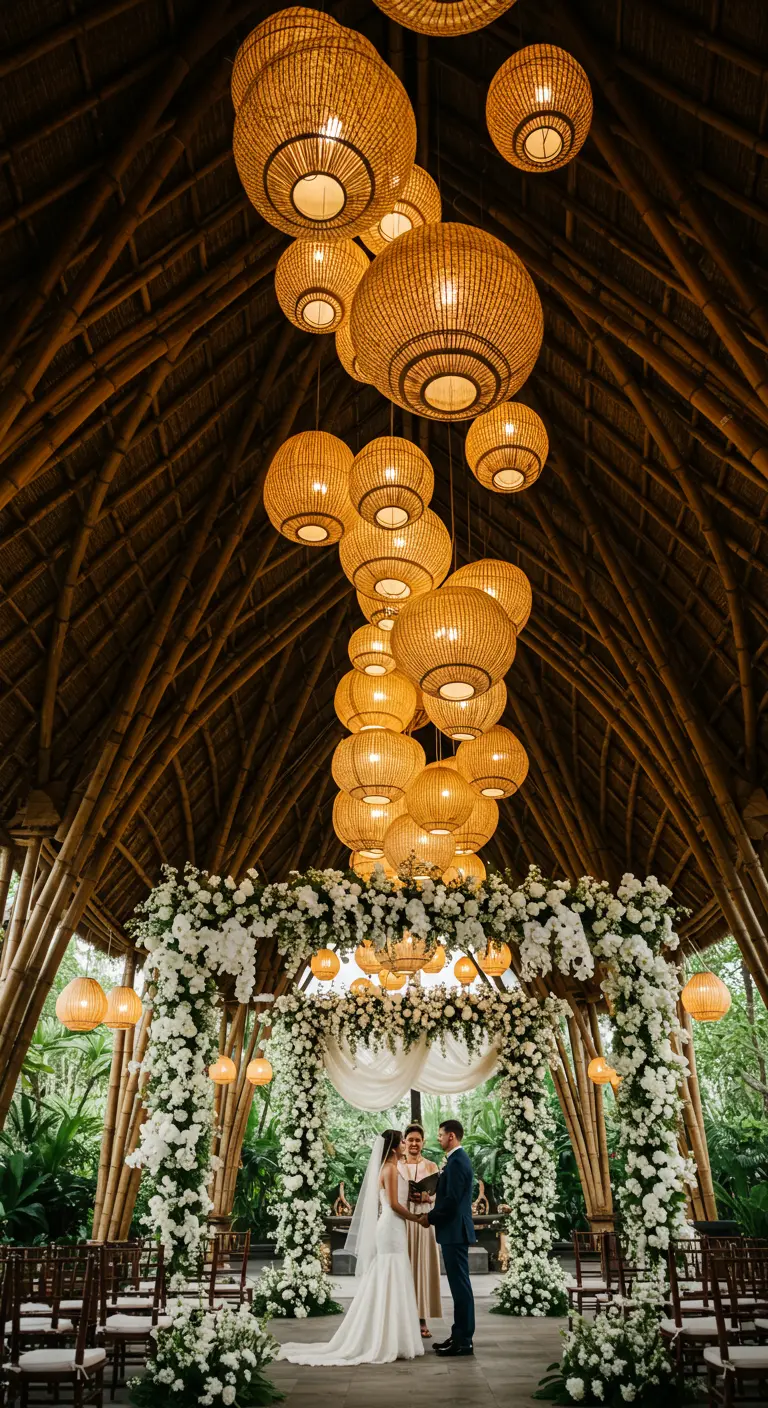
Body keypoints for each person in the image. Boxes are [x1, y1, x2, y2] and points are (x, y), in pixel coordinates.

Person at [278, 1129, 425, 1366]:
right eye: (403, 1142)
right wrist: (417, 1219)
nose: (406, 1144)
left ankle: (395, 1336)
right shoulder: (388, 1168)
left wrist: (421, 1200)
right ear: (394, 1146)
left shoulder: (394, 1168)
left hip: (396, 1227)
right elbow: (395, 1205)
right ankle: (383, 1337)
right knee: (389, 1274)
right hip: (391, 1226)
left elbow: (401, 1199)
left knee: (394, 1275)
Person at [419, 1118, 476, 1357]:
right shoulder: (455, 1161)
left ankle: (463, 1340)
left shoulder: (456, 1163)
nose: (438, 1138)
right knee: (458, 1286)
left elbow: (451, 1202)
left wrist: (430, 1217)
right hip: (454, 1231)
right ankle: (458, 1334)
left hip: (455, 1231)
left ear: (451, 1136)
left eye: (441, 1135)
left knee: (460, 1287)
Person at [398, 1122, 442, 1338]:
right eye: (411, 1139)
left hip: (424, 1221)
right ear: (404, 1142)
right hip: (404, 1221)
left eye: (418, 1140)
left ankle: (422, 1318)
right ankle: (402, 1319)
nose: (414, 1143)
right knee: (404, 1267)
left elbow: (439, 1195)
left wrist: (426, 1196)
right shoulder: (396, 1165)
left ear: (423, 1143)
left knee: (422, 1267)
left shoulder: (432, 1166)